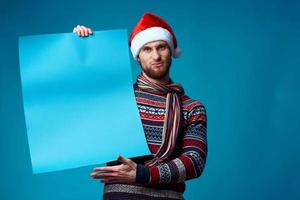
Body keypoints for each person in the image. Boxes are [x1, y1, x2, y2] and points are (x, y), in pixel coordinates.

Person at [73, 12, 207, 200]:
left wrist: (143, 174)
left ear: (171, 51)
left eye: (161, 47)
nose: (156, 56)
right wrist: (82, 45)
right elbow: (79, 100)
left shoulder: (191, 107)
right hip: (120, 196)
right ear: (137, 57)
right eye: (147, 49)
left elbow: (195, 161)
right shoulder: (118, 98)